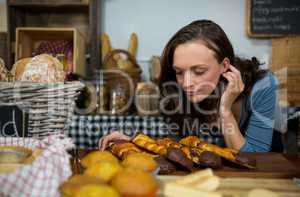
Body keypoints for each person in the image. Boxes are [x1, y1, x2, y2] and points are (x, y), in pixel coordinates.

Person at [98, 20, 278, 152]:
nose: (187, 83)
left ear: (224, 66)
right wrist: (133, 142)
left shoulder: (263, 86)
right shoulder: (179, 92)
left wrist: (225, 111)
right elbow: (175, 147)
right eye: (179, 72)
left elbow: (254, 160)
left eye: (199, 71)